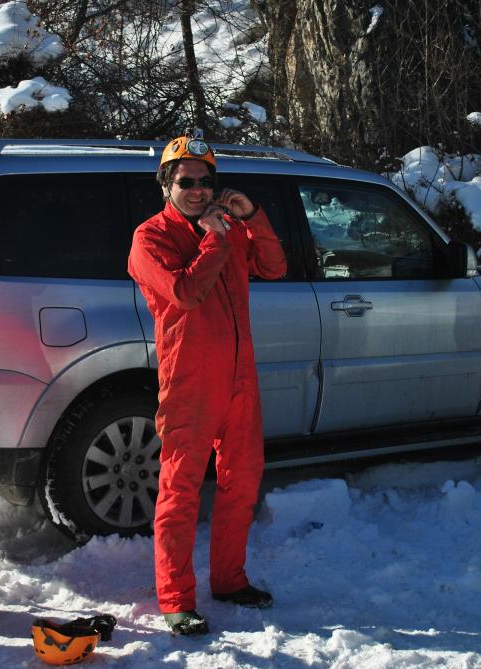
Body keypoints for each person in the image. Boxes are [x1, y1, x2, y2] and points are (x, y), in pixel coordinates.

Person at [127, 132, 287, 635]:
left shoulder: (228, 226)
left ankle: (230, 580)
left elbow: (275, 267)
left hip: (240, 376)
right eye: (186, 181)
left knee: (243, 481)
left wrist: (252, 216)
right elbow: (185, 291)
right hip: (190, 381)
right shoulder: (150, 238)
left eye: (205, 181)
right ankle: (176, 599)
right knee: (180, 489)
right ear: (166, 185)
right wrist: (215, 237)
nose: (197, 190)